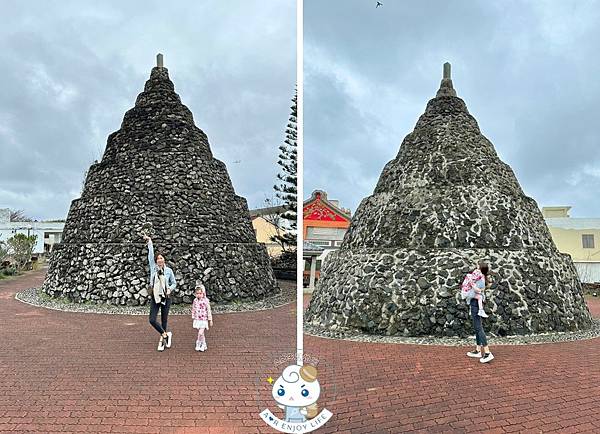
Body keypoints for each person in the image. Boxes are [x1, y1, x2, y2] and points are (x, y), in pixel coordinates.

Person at [144, 234, 177, 351]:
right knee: (152, 319)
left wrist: (170, 289)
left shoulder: (168, 271)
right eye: (158, 258)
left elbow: (174, 283)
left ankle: (162, 341)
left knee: (164, 319)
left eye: (161, 258)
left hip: (166, 297)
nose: (160, 260)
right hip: (155, 296)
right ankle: (165, 334)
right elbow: (150, 254)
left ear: (164, 260)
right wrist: (150, 242)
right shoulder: (153, 268)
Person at [465, 262, 494, 363]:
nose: (476, 267)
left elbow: (477, 291)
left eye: (478, 266)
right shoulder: (481, 277)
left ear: (481, 268)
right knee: (477, 327)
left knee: (479, 327)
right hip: (475, 303)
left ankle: (487, 352)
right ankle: (478, 350)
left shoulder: (480, 278)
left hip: (476, 304)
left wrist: (471, 284)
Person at [192, 284, 213, 352]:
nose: (199, 295)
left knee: (200, 332)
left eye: (200, 293)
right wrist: (193, 316)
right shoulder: (195, 300)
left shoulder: (206, 300)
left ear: (203, 293)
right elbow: (193, 309)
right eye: (197, 293)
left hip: (204, 319)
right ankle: (203, 344)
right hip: (197, 319)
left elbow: (208, 310)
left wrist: (210, 319)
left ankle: (198, 342)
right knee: (202, 333)